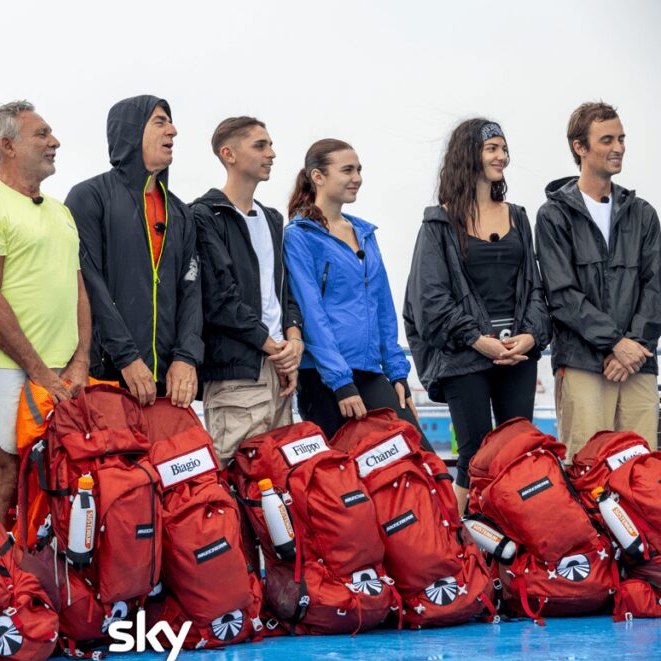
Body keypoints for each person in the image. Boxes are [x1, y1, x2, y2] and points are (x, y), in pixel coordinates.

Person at [0, 100, 90, 524]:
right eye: (42, 134)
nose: (55, 142)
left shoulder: (61, 211)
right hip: (8, 367)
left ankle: (37, 576)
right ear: (8, 146)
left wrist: (81, 359)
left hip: (64, 369)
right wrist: (38, 371)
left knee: (57, 474)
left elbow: (78, 289)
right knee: (8, 474)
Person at [404, 119, 551, 513]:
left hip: (517, 353)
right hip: (465, 355)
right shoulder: (439, 223)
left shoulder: (519, 217)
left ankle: (510, 545)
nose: (501, 156)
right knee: (474, 455)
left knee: (517, 451)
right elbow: (430, 298)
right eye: (492, 149)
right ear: (469, 154)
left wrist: (532, 336)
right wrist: (479, 340)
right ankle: (459, 546)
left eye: (504, 148)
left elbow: (535, 287)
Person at [284, 138, 430, 448]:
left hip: (369, 369)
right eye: (347, 170)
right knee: (343, 481)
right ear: (318, 176)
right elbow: (312, 312)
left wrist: (397, 374)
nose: (357, 178)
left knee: (416, 454)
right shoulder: (299, 237)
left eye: (359, 170)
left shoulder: (364, 234)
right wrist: (340, 382)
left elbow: (383, 307)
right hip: (324, 377)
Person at [536, 101, 661, 458]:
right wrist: (615, 344)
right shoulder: (553, 215)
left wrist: (633, 346)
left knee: (643, 471)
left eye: (621, 138)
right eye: (607, 139)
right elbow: (561, 294)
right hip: (582, 365)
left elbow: (656, 288)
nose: (618, 147)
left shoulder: (643, 214)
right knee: (587, 471)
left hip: (638, 363)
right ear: (579, 146)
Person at [65, 95, 202, 407]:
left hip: (169, 382)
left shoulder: (181, 212)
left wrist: (186, 357)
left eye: (170, 121)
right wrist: (127, 358)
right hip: (109, 374)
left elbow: (192, 291)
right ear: (131, 131)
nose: (173, 130)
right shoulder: (88, 197)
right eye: (160, 122)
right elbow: (88, 282)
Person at [192, 117, 303, 465]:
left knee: (277, 481)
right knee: (235, 477)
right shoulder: (204, 214)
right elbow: (218, 298)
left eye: (270, 145)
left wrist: (294, 340)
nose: (271, 153)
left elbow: (283, 290)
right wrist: (274, 347)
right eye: (260, 145)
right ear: (229, 154)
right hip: (237, 373)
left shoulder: (272, 219)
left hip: (279, 370)